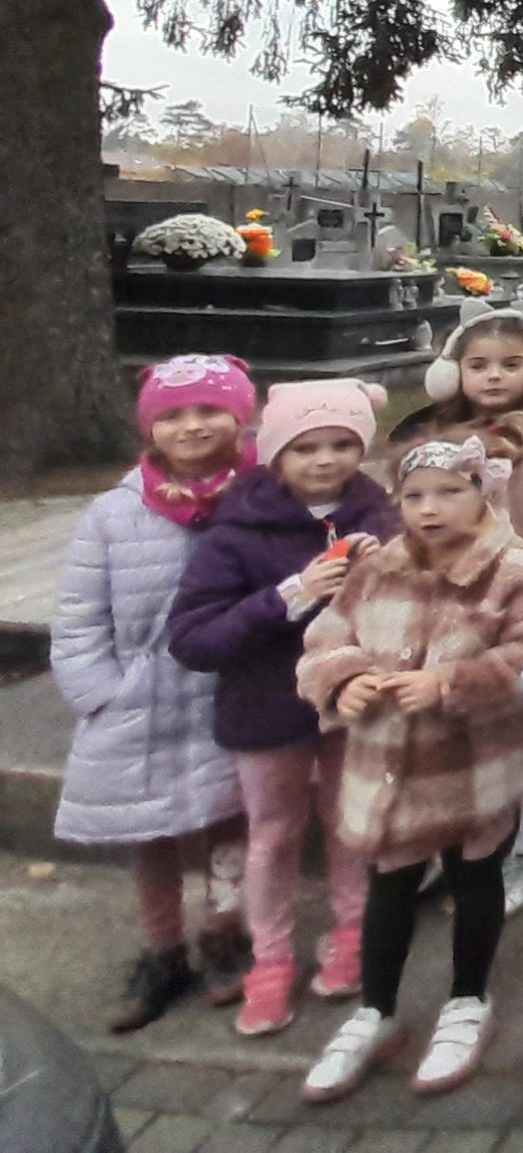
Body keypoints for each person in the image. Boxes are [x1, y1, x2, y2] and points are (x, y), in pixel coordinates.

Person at [292, 429, 523, 1103]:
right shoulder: (379, 567)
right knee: (390, 880)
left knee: (474, 876)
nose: (429, 509)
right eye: (413, 496)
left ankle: (468, 998)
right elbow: (327, 635)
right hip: (387, 762)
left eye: (448, 492)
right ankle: (374, 1009)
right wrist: (342, 679)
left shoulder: (516, 568)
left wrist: (453, 683)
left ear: (482, 493)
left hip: (474, 762)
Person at [168, 380, 399, 1038]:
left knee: (351, 820)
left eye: (341, 444)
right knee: (274, 831)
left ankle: (353, 930)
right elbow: (193, 638)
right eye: (305, 448)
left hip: (355, 701)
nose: (324, 460)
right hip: (265, 706)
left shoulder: (381, 517)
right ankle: (269, 957)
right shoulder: (235, 531)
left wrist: (386, 578)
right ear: (274, 454)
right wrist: (291, 593)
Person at [51, 355, 256, 1031]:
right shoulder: (112, 513)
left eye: (208, 410)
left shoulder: (260, 500)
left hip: (229, 693)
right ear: (150, 428)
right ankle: (163, 950)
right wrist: (101, 693)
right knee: (150, 830)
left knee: (230, 818)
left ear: (239, 416)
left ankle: (226, 934)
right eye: (172, 415)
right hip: (140, 700)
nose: (192, 426)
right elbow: (80, 616)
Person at [397, 303, 523, 913]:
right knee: (452, 730)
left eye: (511, 364)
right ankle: (453, 842)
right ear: (450, 372)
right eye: (478, 365)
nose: (493, 377)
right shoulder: (432, 442)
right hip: (452, 607)